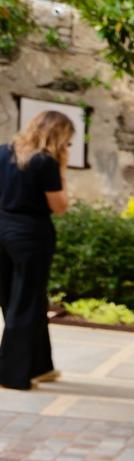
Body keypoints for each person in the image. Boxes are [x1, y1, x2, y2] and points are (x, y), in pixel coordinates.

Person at [0, 109, 71, 390]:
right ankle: (11, 374)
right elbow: (60, 206)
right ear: (57, 134)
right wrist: (62, 169)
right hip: (31, 236)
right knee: (27, 303)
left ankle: (40, 366)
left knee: (14, 301)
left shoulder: (3, 152)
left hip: (1, 231)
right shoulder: (45, 162)